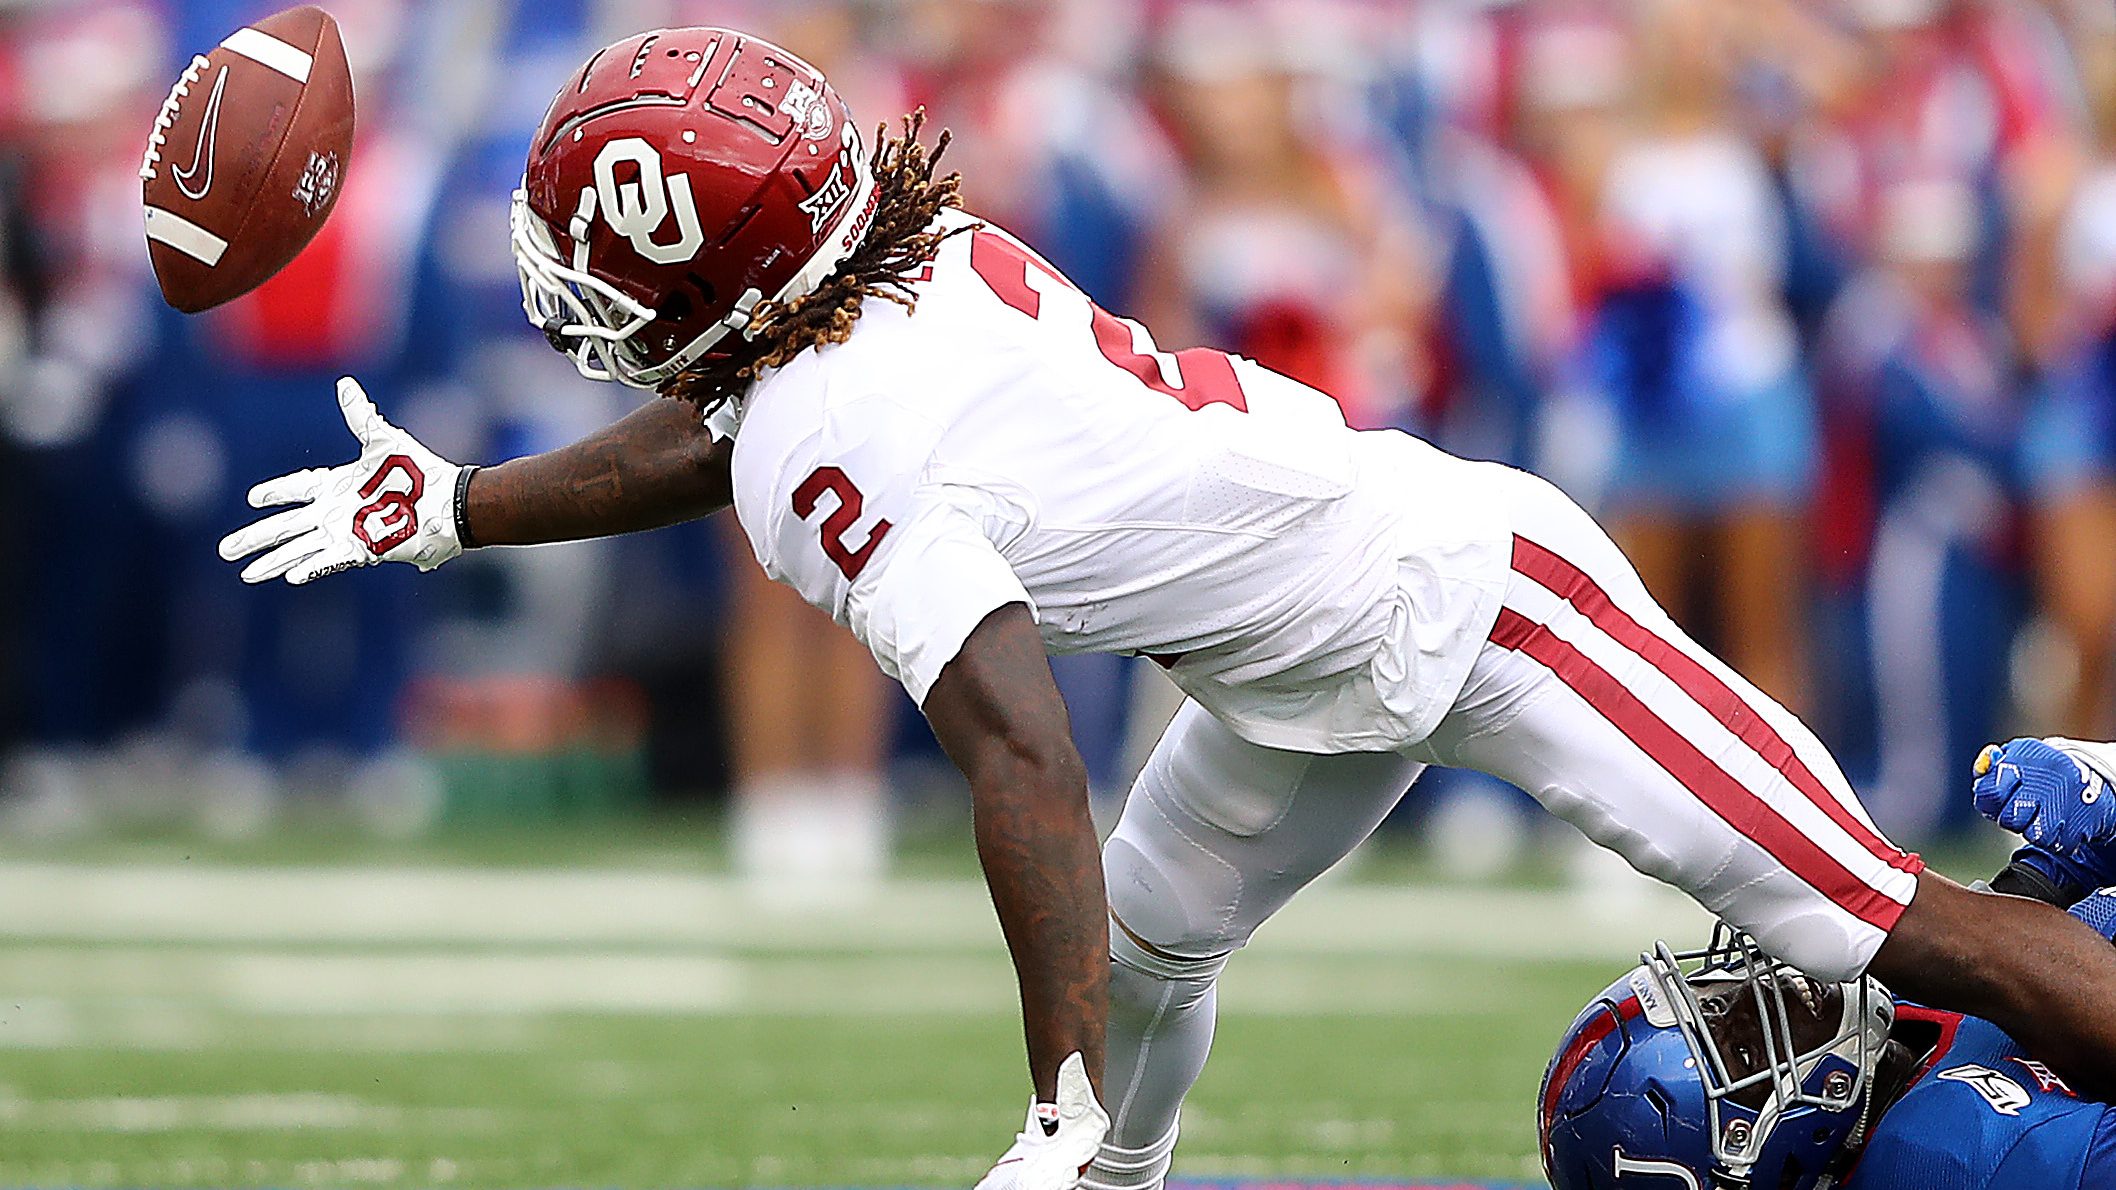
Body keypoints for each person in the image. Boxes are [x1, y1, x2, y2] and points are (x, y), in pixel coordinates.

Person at [214, 27, 2116, 1190]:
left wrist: (1037, 1089)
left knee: (1894, 929)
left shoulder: (831, 423)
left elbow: (1019, 750)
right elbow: (739, 423)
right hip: (1287, 678)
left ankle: (1073, 1148)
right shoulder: (896, 259)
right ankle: (1101, 1178)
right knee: (1142, 977)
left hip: (1476, 595)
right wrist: (466, 506)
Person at [1541, 735, 2116, 1189]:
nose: (1766, 991)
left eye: (1719, 995)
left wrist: (2056, 858)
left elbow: (2026, 944)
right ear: (1741, 1148)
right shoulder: (1950, 1160)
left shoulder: (1890, 1040)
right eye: (1741, 1045)